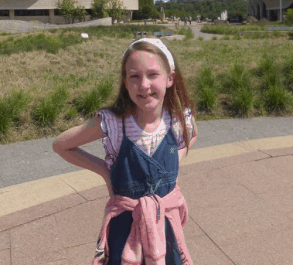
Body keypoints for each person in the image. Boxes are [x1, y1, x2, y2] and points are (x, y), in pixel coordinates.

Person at [53, 38, 198, 264]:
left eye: (152, 74)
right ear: (125, 81)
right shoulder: (113, 124)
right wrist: (105, 171)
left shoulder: (179, 119)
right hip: (125, 228)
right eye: (134, 76)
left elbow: (193, 135)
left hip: (165, 226)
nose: (144, 85)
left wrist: (175, 162)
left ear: (169, 78)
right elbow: (62, 144)